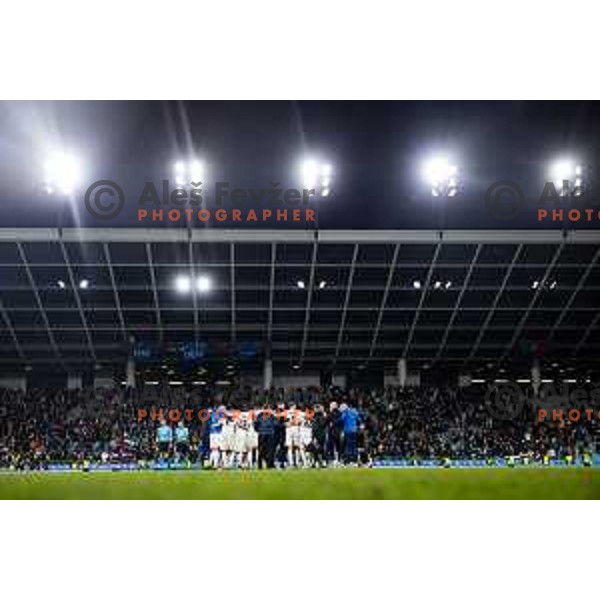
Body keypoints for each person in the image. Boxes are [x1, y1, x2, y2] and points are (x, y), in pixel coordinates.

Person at [255, 404, 276, 469]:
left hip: (270, 434)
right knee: (261, 450)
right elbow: (256, 424)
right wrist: (259, 430)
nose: (266, 410)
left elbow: (275, 424)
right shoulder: (259, 416)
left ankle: (269, 464)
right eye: (265, 409)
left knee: (270, 450)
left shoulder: (272, 416)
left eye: (267, 409)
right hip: (262, 434)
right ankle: (260, 465)